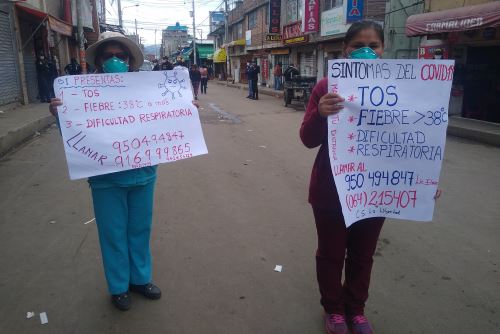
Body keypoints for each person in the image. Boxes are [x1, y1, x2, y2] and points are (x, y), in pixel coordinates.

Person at [300, 20, 441, 334]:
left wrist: (424, 180)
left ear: (383, 49)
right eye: (357, 46)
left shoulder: (404, 88)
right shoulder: (326, 87)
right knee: (331, 254)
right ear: (345, 50)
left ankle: (356, 309)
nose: (366, 51)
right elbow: (308, 139)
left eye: (373, 46)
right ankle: (334, 310)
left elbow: (413, 139)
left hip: (377, 190)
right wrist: (320, 114)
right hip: (332, 190)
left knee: (363, 255)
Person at [49, 31, 178, 311]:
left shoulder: (147, 91)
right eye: (109, 56)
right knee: (113, 233)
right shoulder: (83, 94)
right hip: (105, 179)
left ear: (130, 61)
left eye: (121, 56)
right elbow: (74, 137)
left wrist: (183, 110)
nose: (116, 60)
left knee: (140, 230)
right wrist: (60, 115)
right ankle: (119, 287)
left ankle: (141, 279)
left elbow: (166, 122)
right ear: (99, 61)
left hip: (143, 174)